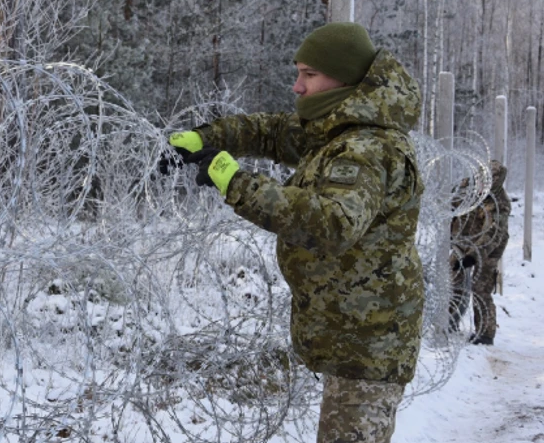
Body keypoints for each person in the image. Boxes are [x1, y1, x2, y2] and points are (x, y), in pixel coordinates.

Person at [162, 22, 425, 443]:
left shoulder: (365, 148)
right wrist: (205, 138)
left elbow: (331, 224)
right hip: (351, 334)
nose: (297, 86)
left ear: (344, 79)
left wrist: (235, 182)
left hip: (367, 344)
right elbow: (269, 131)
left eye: (310, 75)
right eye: (298, 72)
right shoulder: (337, 129)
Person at [450, 160, 510, 345]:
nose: (484, 183)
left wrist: (472, 257)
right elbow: (451, 204)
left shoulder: (499, 202)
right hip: (463, 241)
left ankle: (485, 333)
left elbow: (493, 233)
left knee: (480, 288)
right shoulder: (466, 188)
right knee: (453, 281)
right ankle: (449, 321)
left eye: (490, 180)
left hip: (489, 249)